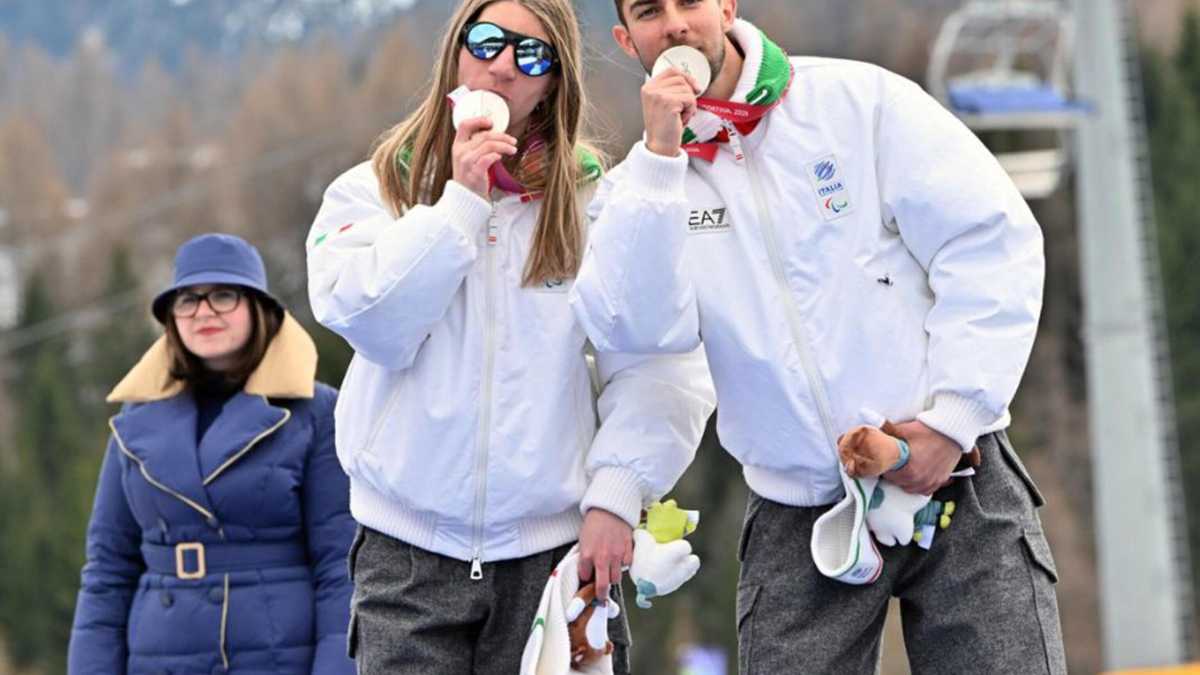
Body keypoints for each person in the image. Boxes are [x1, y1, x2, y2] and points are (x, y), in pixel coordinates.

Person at [569, 0, 1068, 672]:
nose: (676, 25)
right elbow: (635, 331)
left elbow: (988, 239)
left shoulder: (857, 102)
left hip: (954, 472)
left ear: (725, 5)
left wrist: (953, 421)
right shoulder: (644, 188)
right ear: (628, 40)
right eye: (651, 11)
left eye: (689, 1)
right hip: (797, 505)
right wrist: (662, 157)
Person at [304, 0, 716, 672]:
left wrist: (617, 490)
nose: (502, 67)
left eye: (531, 56)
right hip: (407, 556)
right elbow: (374, 323)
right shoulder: (376, 190)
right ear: (457, 51)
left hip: (553, 558)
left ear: (554, 82)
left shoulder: (593, 204)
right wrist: (460, 204)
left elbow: (657, 362)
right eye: (488, 41)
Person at [67, 233, 355, 674]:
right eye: (187, 300)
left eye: (223, 295)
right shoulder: (135, 419)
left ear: (258, 308)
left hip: (277, 656)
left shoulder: (314, 412)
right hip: (159, 656)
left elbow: (340, 566)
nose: (203, 311)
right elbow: (107, 569)